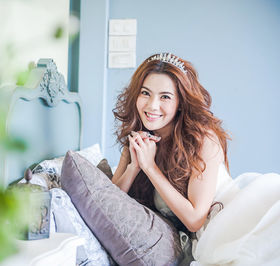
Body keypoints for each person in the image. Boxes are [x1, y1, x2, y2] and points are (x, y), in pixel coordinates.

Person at [112, 53, 280, 265]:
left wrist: (150, 167)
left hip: (236, 219)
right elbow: (108, 202)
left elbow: (194, 220)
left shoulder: (203, 140)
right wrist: (134, 167)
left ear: (181, 102)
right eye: (145, 93)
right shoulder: (137, 142)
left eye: (165, 97)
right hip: (201, 241)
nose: (152, 106)